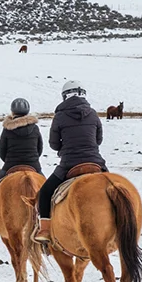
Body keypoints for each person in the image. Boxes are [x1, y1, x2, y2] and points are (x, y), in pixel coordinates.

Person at [34, 80, 107, 243]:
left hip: (69, 164)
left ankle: (45, 229)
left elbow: (53, 144)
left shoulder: (59, 116)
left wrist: (64, 149)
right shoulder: (93, 113)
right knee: (114, 187)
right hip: (96, 162)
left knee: (45, 193)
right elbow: (98, 140)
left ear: (65, 96)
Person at [0, 97, 43, 231]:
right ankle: (50, 217)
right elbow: (39, 148)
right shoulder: (35, 129)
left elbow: (1, 150)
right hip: (33, 165)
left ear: (13, 111)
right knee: (47, 190)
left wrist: (8, 161)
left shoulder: (7, 129)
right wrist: (32, 160)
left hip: (11, 165)